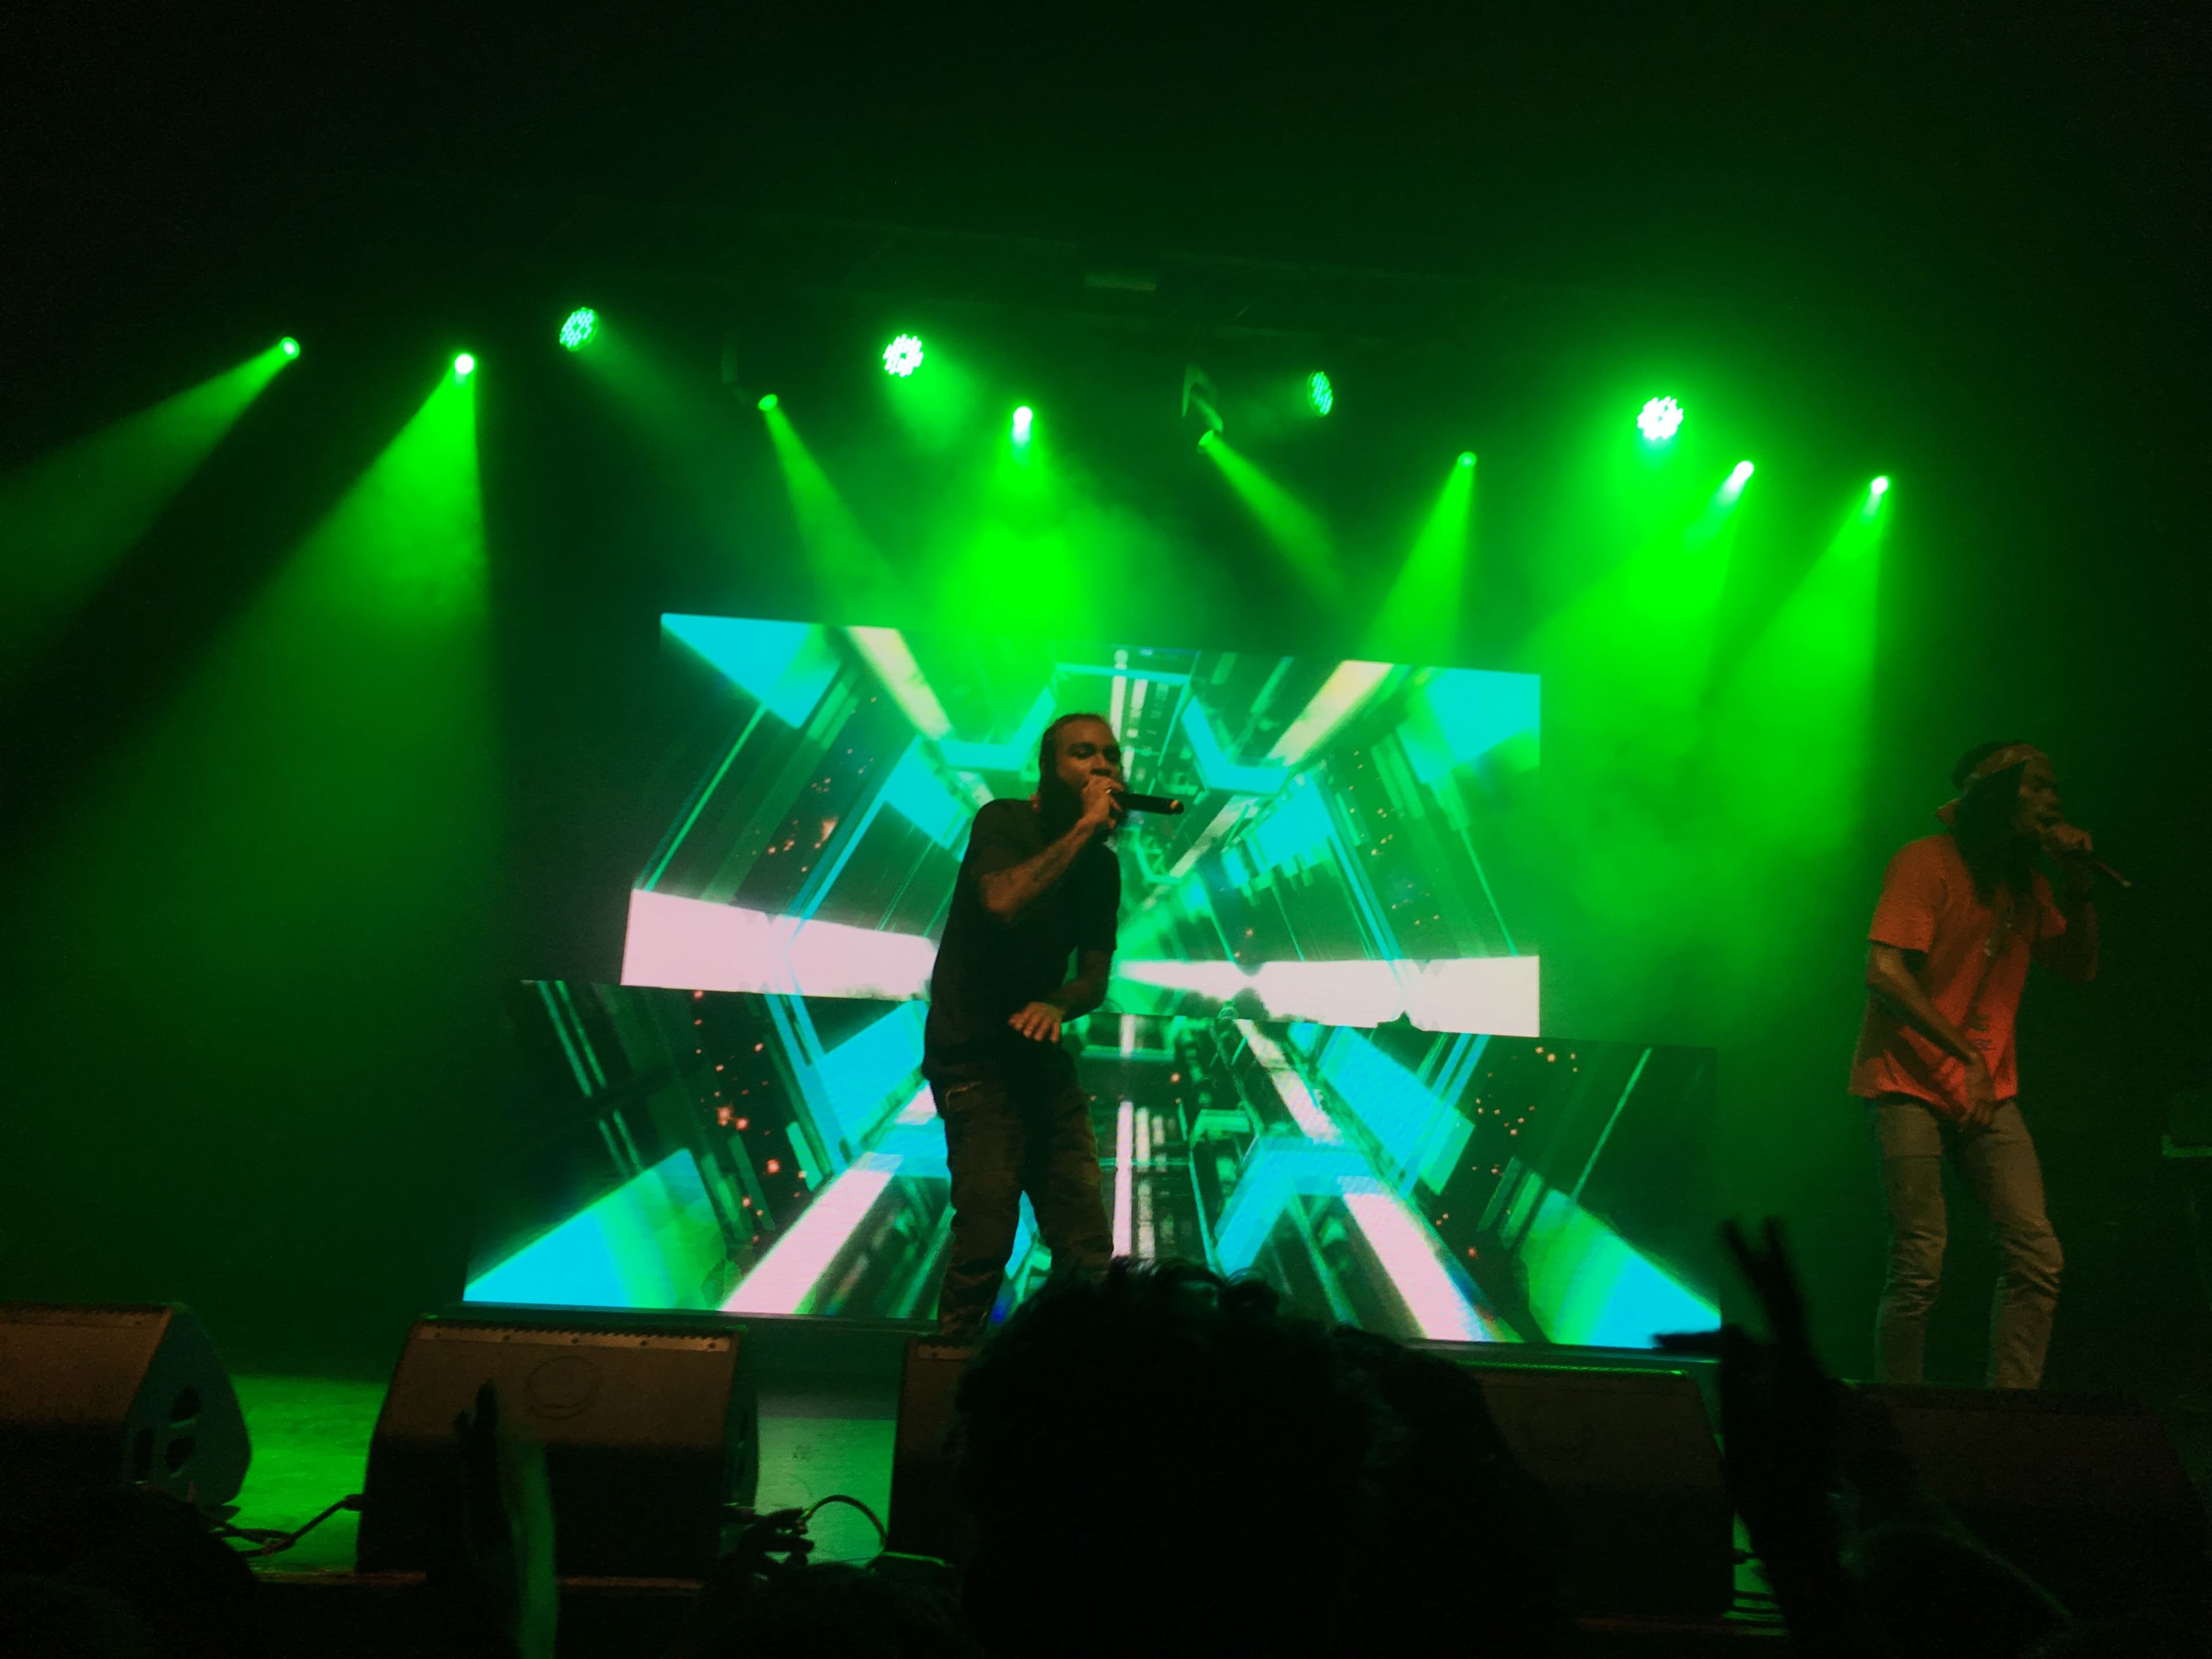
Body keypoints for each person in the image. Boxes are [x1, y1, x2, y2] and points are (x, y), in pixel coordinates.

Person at [1850, 741, 2099, 1388]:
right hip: (1908, 1080)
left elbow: (2079, 967)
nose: (2052, 799)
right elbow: (1883, 972)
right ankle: (1897, 1414)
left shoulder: (2026, 886)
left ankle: (2009, 1413)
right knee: (1919, 1262)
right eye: (2037, 785)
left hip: (1987, 1089)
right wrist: (1965, 1055)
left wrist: (2078, 885)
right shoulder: (1925, 862)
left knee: (2037, 1256)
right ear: (1996, 793)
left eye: (2055, 789)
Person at [922, 711, 1125, 1343]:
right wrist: (1085, 827)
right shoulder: (1004, 821)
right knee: (986, 1236)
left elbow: (1093, 979)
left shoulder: (1101, 868)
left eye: (1111, 756)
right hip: (973, 1056)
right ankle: (950, 1375)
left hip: (1038, 1062)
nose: (1102, 765)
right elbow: (1002, 901)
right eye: (1083, 753)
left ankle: (1073, 1380)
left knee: (1086, 1244)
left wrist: (1058, 1004)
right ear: (1048, 766)